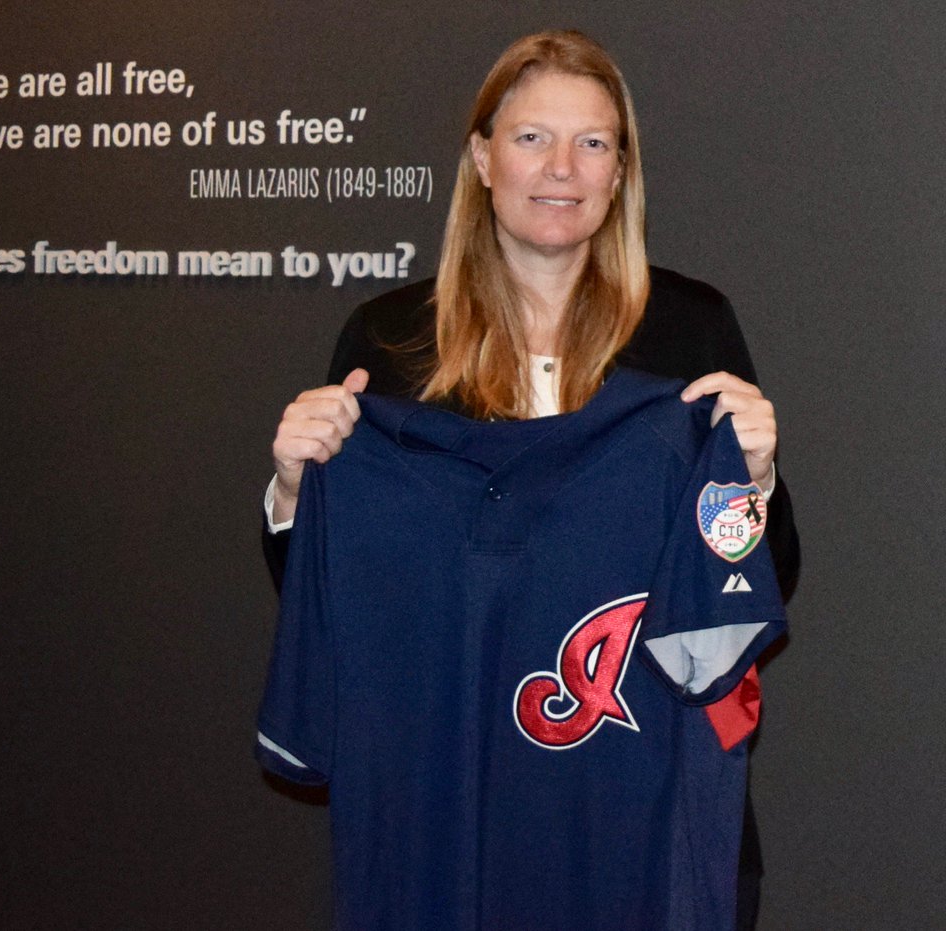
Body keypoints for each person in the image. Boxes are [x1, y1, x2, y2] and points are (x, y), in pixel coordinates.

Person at [261, 29, 798, 929]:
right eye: (530, 138)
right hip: (453, 793)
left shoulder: (690, 332)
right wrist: (291, 494)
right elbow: (341, 596)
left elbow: (761, 580)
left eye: (592, 143)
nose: (562, 168)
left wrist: (756, 479)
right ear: (481, 158)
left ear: (621, 172)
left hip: (635, 797)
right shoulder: (391, 342)